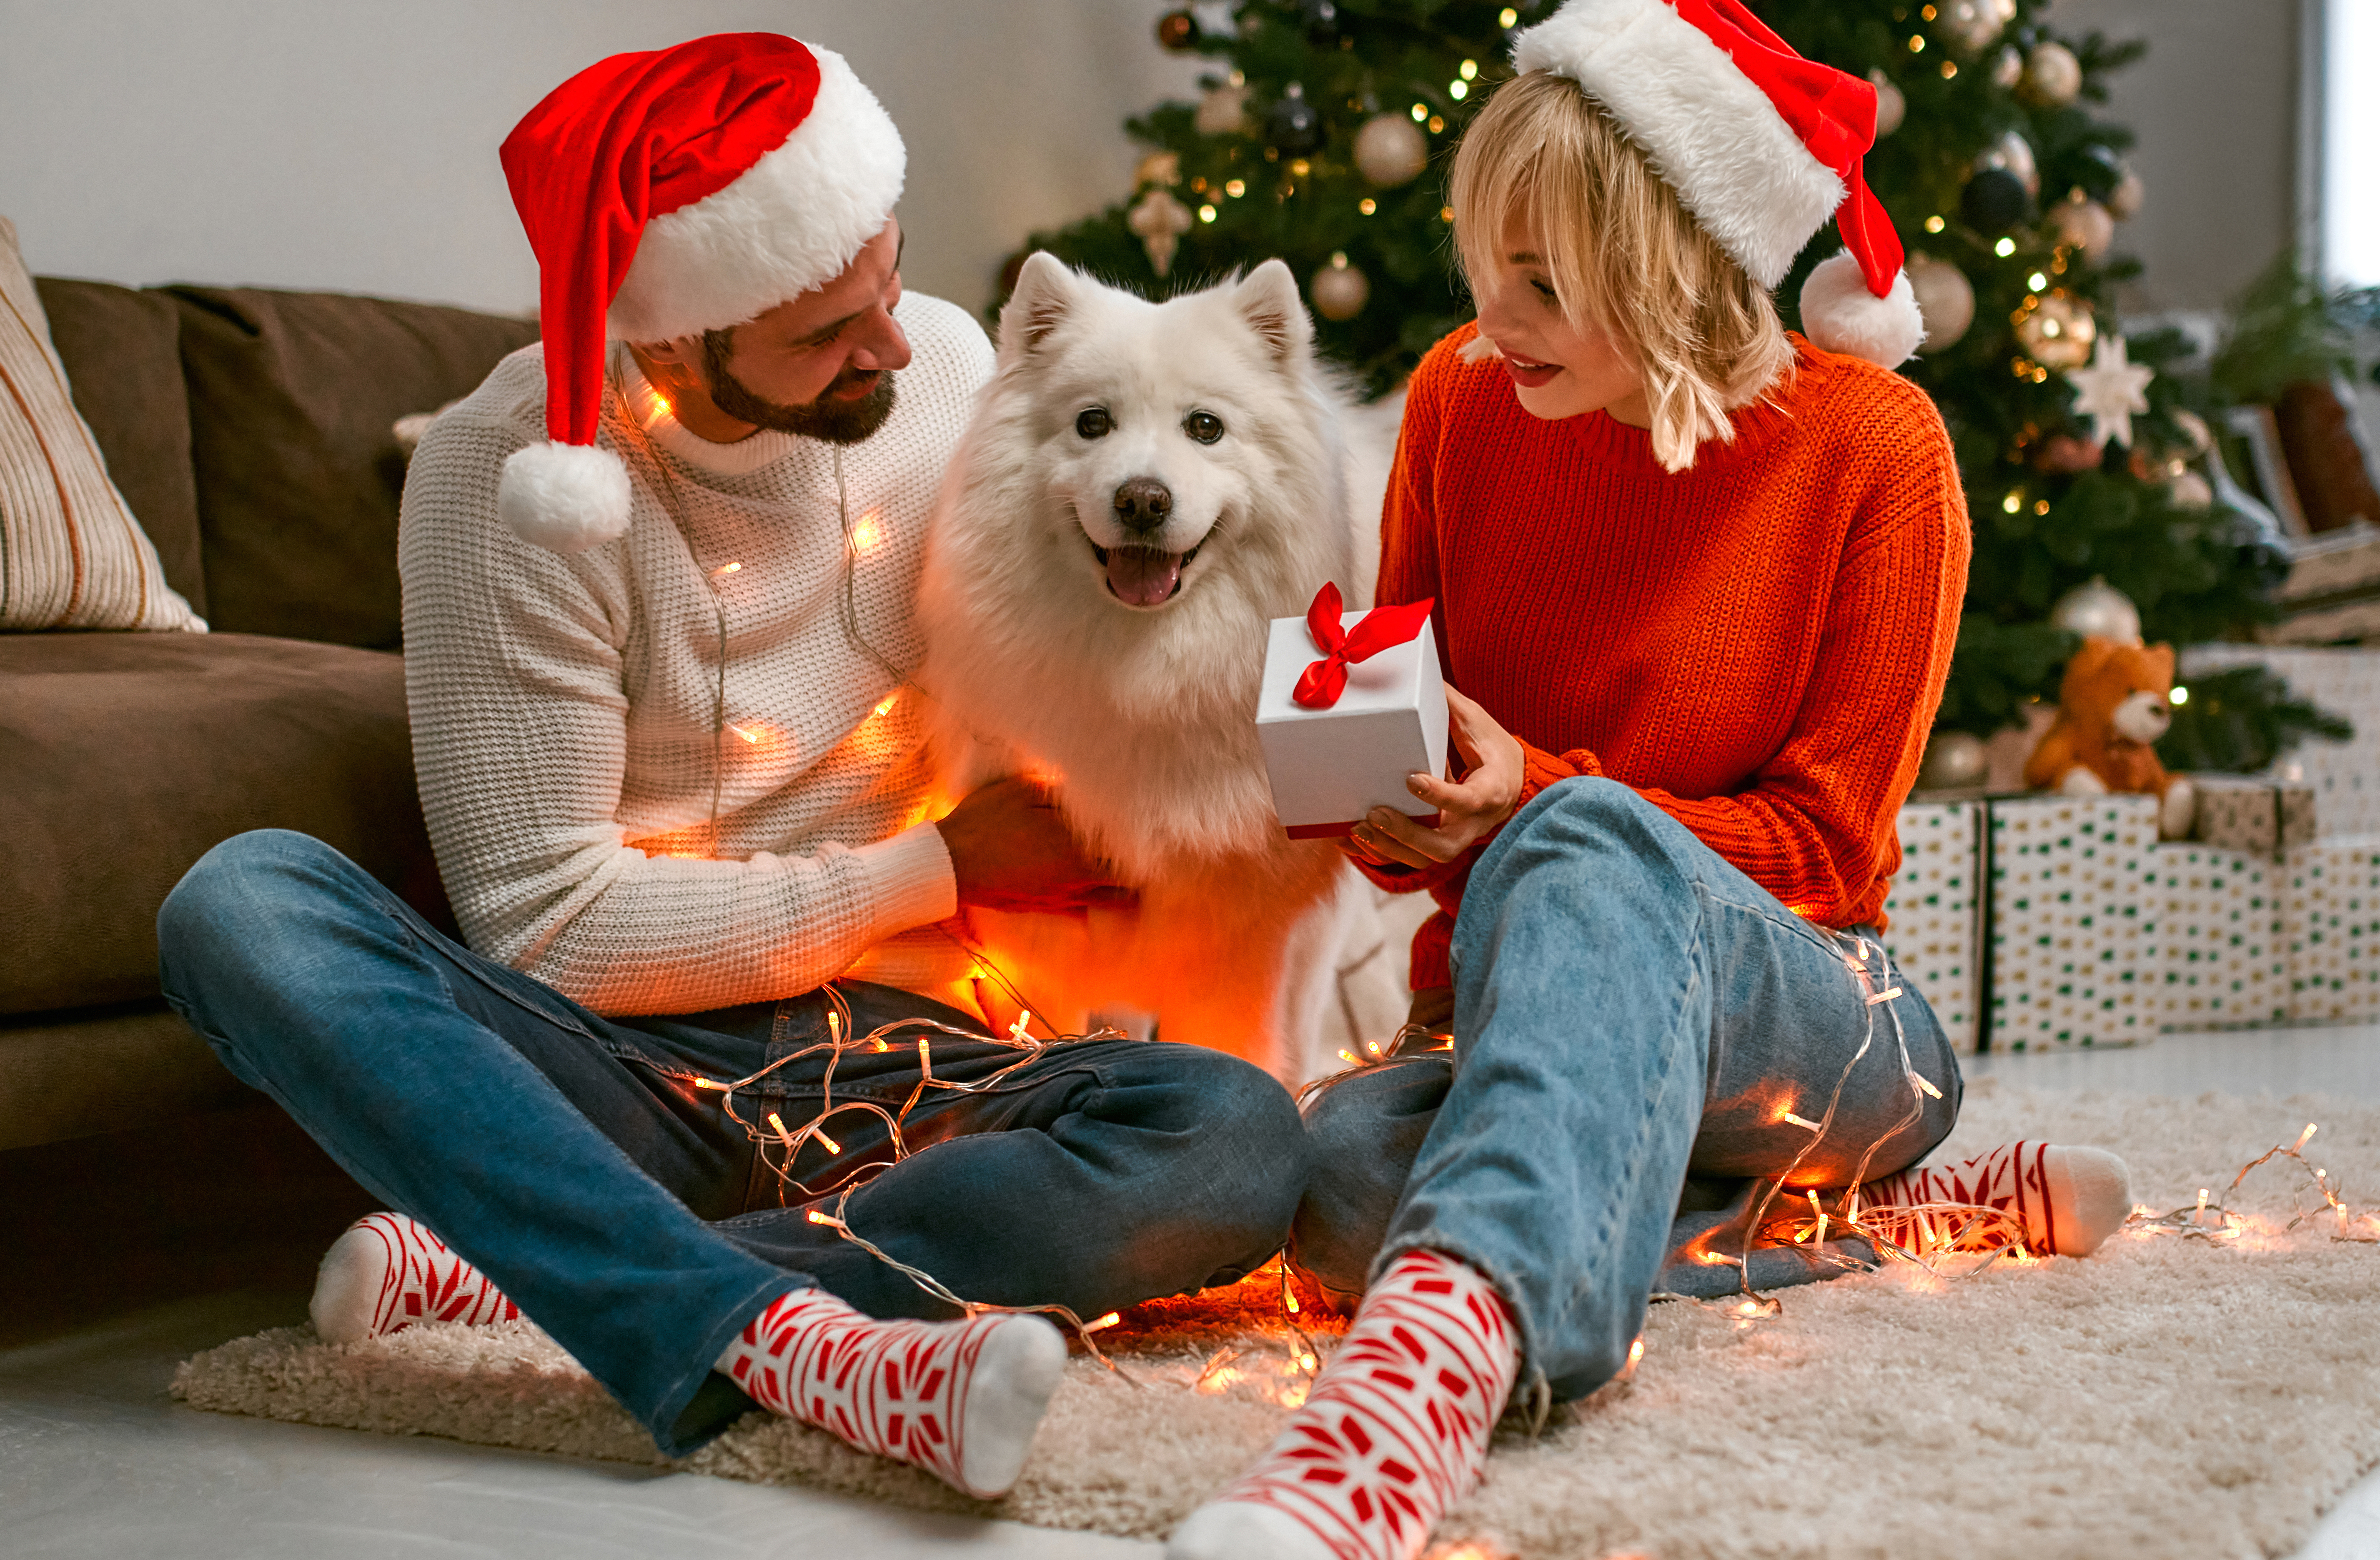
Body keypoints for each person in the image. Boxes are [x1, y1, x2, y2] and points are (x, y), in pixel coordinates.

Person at [155, 34, 1310, 1502]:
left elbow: (1129, 643)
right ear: (677, 334)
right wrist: (943, 865)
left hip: (925, 1047)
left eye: (888, 281)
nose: (892, 344)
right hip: (628, 1068)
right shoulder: (509, 481)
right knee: (240, 906)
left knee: (1231, 1135)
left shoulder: (956, 372)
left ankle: (542, 1273)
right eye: (829, 331)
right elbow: (545, 928)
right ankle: (801, 1338)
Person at [1170, 5, 2130, 1557]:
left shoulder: (1878, 452)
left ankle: (1414, 1402)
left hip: (1828, 1027)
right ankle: (1844, 1224)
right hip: (1516, 1025)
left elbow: (1824, 850)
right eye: (1486, 273)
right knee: (1335, 1186)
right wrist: (1391, 797)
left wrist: (1537, 799)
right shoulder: (1461, 403)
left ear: (1681, 264)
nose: (1496, 322)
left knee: (1585, 832)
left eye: (1545, 287)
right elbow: (1415, 796)